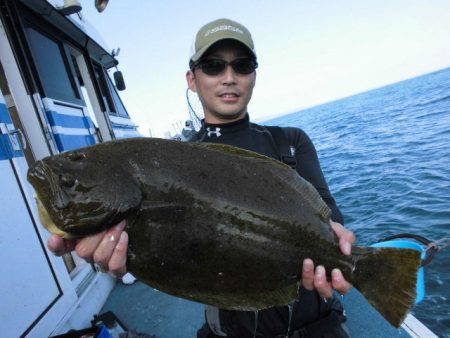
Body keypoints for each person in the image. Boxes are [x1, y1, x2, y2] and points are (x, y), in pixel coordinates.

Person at [48, 18, 355, 338]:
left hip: (319, 324)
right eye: (213, 65)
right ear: (192, 79)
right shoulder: (169, 162)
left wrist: (336, 241)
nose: (229, 77)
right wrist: (130, 256)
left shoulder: (290, 141)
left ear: (253, 75)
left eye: (242, 65)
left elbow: (329, 216)